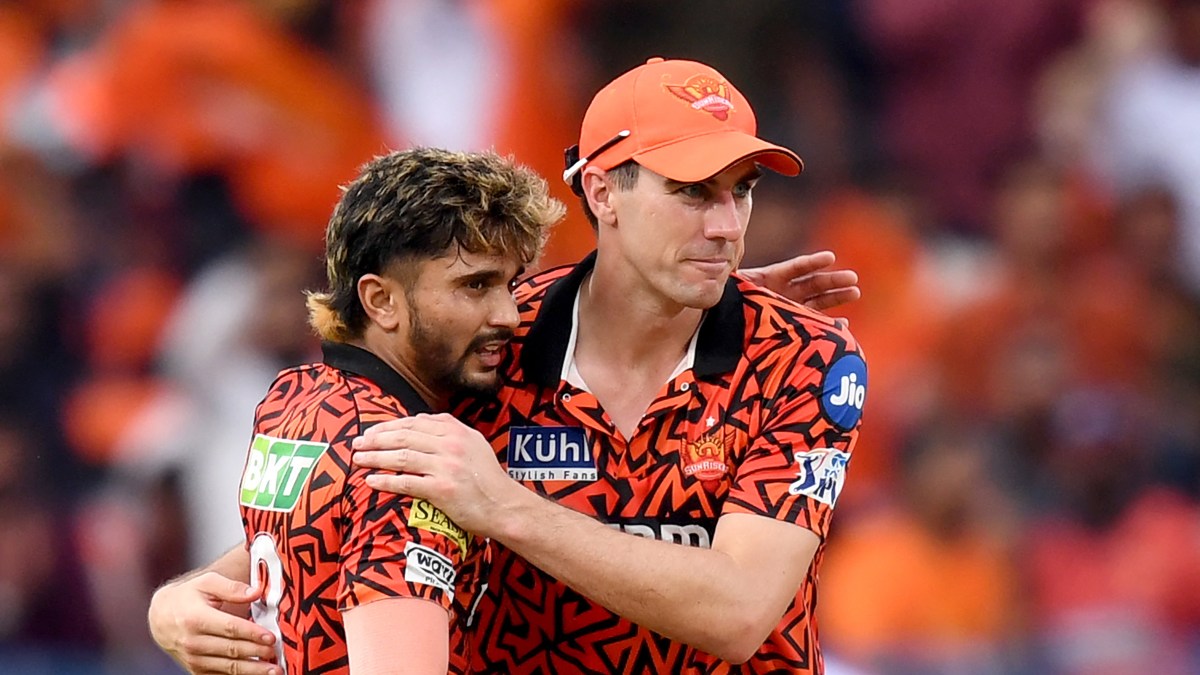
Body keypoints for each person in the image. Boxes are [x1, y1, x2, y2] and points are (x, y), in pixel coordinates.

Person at [149, 58, 866, 675]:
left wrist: (506, 507)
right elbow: (364, 488)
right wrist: (180, 597)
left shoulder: (804, 358)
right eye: (690, 192)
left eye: (741, 189)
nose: (726, 225)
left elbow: (738, 612)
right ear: (603, 191)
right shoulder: (493, 335)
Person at [219, 147, 562, 675]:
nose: (509, 315)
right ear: (380, 301)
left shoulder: (291, 397)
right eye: (475, 286)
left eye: (511, 284)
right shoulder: (408, 462)